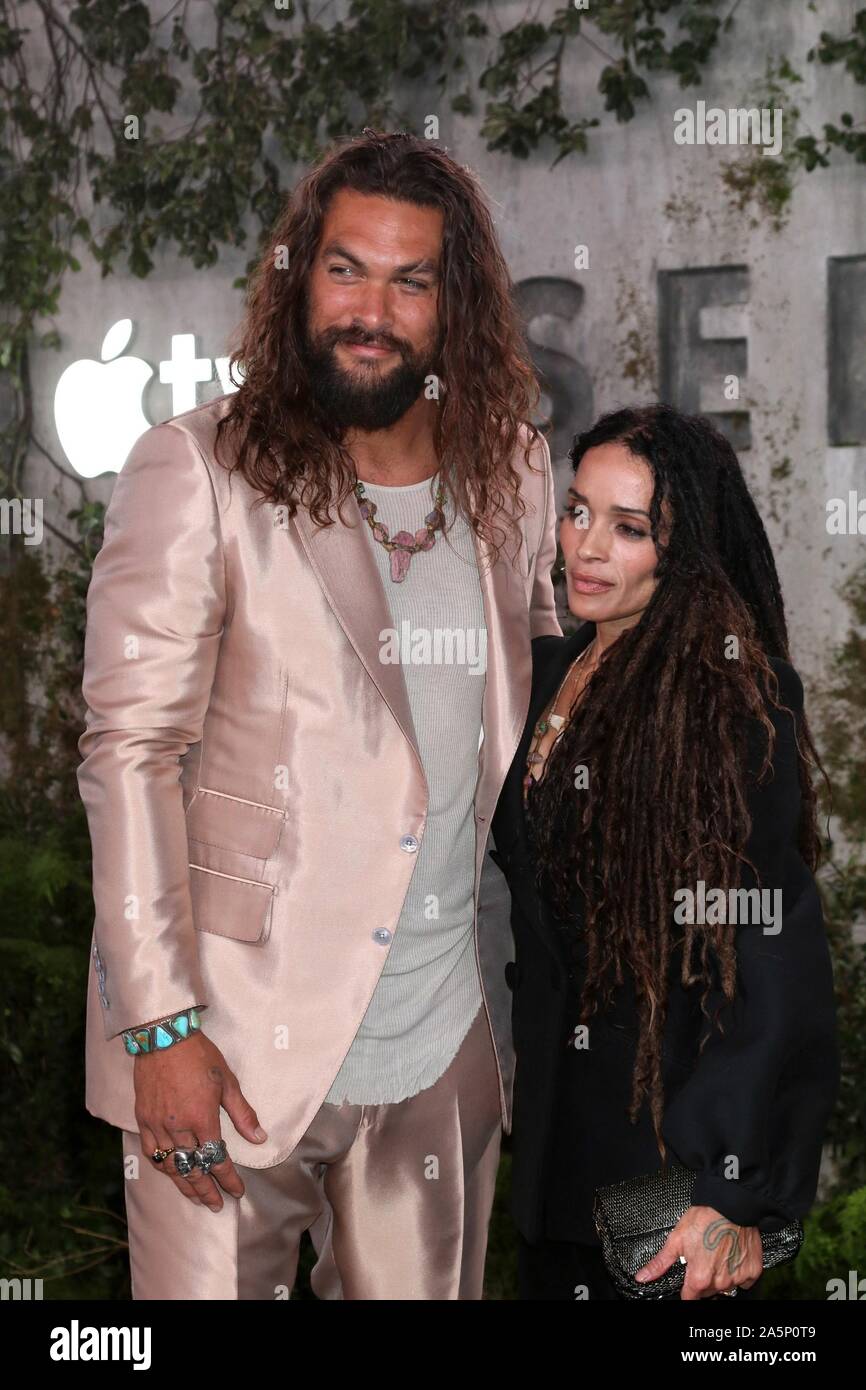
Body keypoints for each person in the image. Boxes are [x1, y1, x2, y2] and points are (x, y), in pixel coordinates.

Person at [77, 128, 561, 1300]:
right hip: (227, 1049)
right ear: (300, 276)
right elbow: (131, 749)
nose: (371, 311)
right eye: (346, 269)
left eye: (410, 280)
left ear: (455, 307)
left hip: (440, 1048)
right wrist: (157, 1030)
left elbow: (538, 699)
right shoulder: (198, 468)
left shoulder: (513, 471)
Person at [490, 403, 840, 1301]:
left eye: (630, 527)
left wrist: (730, 1189)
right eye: (577, 512)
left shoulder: (723, 703)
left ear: (684, 549)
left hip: (667, 1185)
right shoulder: (550, 675)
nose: (588, 547)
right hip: (555, 1165)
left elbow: (767, 946)